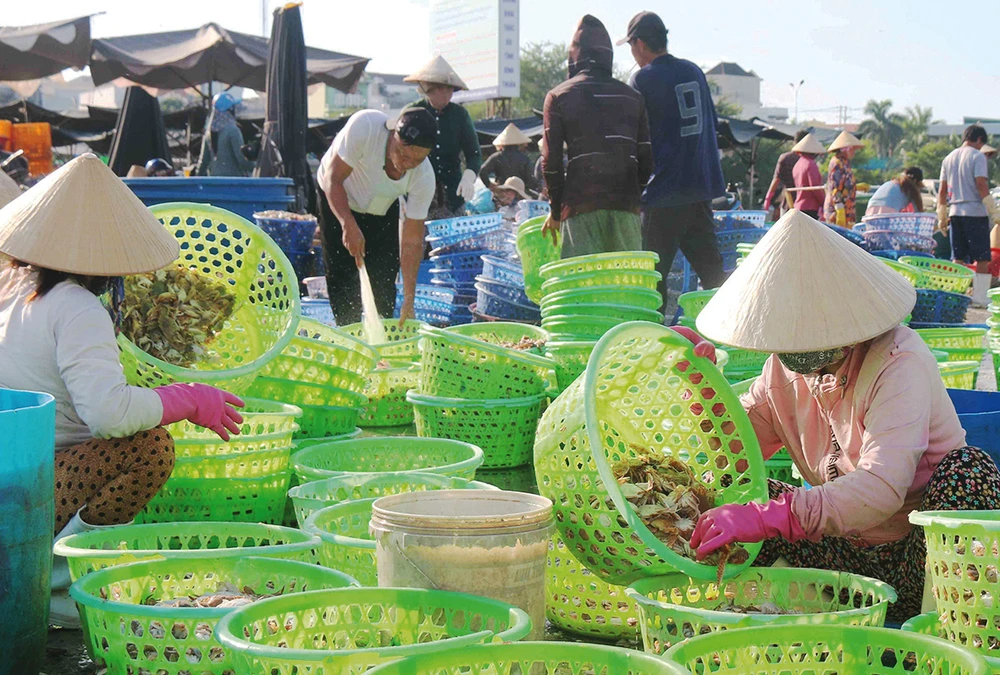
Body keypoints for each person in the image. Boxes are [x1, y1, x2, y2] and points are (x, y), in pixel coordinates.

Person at [683, 209, 1000, 623]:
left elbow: (880, 489)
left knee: (967, 468)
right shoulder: (782, 371)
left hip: (921, 557)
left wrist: (768, 518)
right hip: (845, 551)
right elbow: (736, 453)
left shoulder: (899, 362)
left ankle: (949, 628)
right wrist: (703, 391)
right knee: (747, 496)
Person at [0, 154, 245, 626]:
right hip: (28, 489)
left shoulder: (11, 283)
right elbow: (108, 416)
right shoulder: (75, 306)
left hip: (11, 467)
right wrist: (186, 398)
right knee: (150, 447)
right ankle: (58, 587)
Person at [622, 11, 726, 299]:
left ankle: (652, 338)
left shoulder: (642, 79)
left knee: (651, 282)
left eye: (632, 47)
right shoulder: (693, 70)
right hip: (700, 189)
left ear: (639, 43)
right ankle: (732, 338)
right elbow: (712, 126)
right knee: (714, 277)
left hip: (664, 193)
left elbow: (635, 143)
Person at [541, 15, 652, 259]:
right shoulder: (633, 98)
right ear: (607, 55)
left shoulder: (558, 97)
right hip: (626, 208)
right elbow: (646, 159)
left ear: (574, 56)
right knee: (627, 288)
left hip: (580, 209)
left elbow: (551, 162)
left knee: (584, 289)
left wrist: (557, 210)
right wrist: (631, 197)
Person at [316, 108, 435, 326]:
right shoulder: (366, 126)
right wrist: (347, 223)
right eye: (403, 153)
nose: (407, 163)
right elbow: (333, 180)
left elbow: (411, 242)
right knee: (342, 274)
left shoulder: (425, 177)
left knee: (384, 276)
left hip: (382, 206)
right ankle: (347, 330)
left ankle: (382, 334)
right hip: (337, 194)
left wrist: (409, 298)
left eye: (416, 160)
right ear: (392, 135)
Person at [404, 56, 482, 219]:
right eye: (441, 89)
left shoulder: (460, 115)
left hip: (453, 193)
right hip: (417, 191)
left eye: (450, 89)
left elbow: (474, 153)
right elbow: (398, 150)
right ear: (428, 89)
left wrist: (469, 176)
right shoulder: (413, 112)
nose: (447, 94)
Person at [938, 124, 999, 306]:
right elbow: (980, 183)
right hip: (974, 212)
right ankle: (980, 298)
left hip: (955, 212)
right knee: (982, 257)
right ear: (979, 140)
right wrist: (993, 210)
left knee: (957, 258)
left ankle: (956, 295)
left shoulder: (948, 158)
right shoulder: (977, 156)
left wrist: (942, 213)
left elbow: (942, 191)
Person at [196, 92, 254, 177]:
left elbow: (203, 163)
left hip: (214, 183)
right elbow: (242, 159)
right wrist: (257, 167)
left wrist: (196, 178)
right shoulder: (233, 130)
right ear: (230, 110)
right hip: (233, 183)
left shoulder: (208, 133)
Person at [479, 123, 538, 196]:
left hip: (501, 193)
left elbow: (482, 171)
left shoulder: (496, 157)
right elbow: (530, 180)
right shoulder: (525, 159)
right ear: (519, 143)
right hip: (519, 194)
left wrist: (490, 185)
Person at [763, 130, 809, 220]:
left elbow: (776, 180)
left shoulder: (785, 158)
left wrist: (767, 200)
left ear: (794, 142)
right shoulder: (807, 161)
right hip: (805, 205)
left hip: (787, 201)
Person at [823, 131, 864, 227]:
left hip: (848, 209)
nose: (854, 152)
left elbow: (844, 184)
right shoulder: (837, 163)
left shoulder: (845, 163)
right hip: (838, 210)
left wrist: (855, 186)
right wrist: (839, 207)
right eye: (852, 149)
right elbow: (835, 187)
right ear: (844, 149)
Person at [790, 133, 826, 219]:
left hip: (798, 206)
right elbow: (815, 187)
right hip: (810, 207)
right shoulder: (811, 164)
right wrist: (824, 202)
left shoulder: (797, 164)